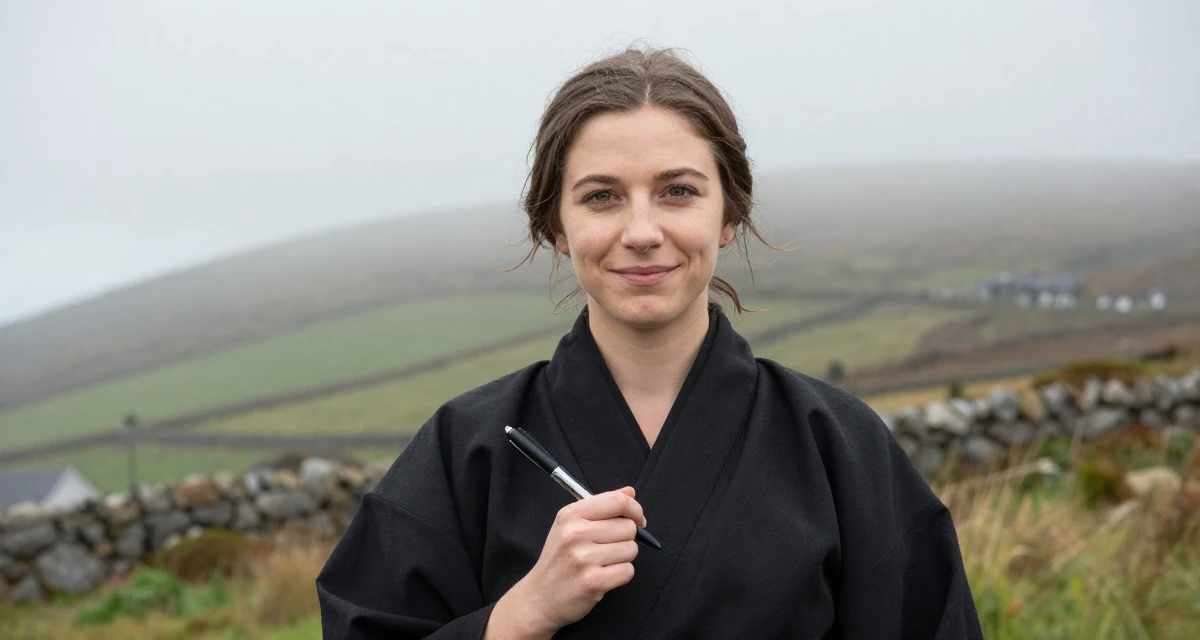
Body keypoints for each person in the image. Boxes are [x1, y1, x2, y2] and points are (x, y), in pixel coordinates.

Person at [316, 45, 982, 639]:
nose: (641, 231)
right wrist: (521, 617)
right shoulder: (467, 451)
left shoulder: (838, 445)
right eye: (602, 196)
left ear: (729, 215)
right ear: (556, 227)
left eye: (678, 191)